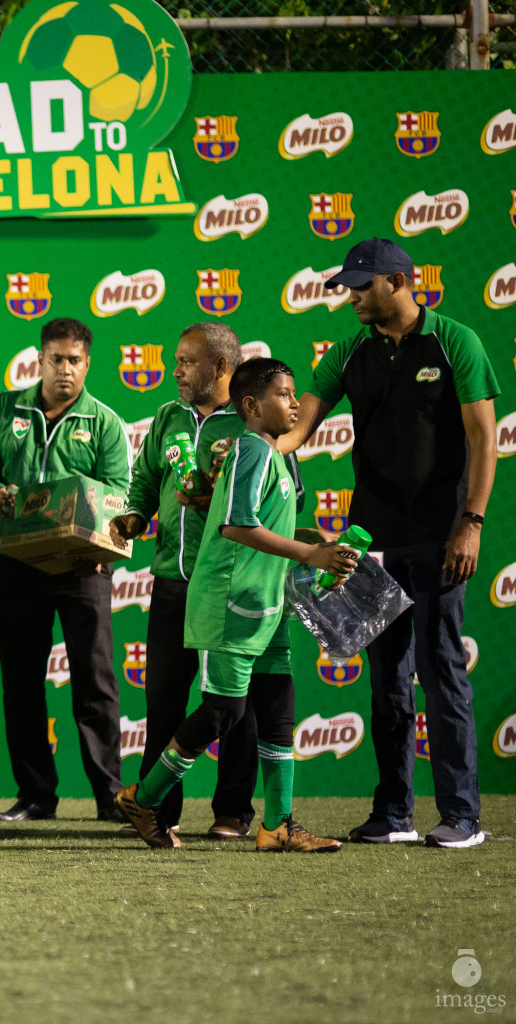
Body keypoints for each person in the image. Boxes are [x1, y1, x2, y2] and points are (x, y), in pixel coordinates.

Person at [278, 238, 500, 850]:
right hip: (371, 542)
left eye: (362, 285)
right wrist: (255, 454)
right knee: (387, 680)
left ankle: (462, 815)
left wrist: (471, 522)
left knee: (442, 669)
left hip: (439, 534)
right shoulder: (352, 351)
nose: (351, 297)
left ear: (400, 282)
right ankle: (394, 812)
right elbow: (300, 429)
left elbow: (485, 441)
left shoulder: (454, 341)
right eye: (348, 286)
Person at [119, 358, 356, 852]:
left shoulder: (272, 454)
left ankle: (278, 826)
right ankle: (143, 799)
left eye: (294, 394)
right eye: (285, 395)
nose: (296, 404)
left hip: (268, 605)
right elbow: (234, 526)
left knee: (277, 713)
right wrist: (311, 552)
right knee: (223, 712)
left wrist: (320, 543)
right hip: (232, 601)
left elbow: (269, 525)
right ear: (251, 405)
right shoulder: (250, 450)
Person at [0, 318, 130, 822]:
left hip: (83, 568)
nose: (65, 370)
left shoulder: (105, 423)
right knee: (23, 683)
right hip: (17, 564)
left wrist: (94, 527)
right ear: (40, 360)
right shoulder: (3, 408)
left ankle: (109, 798)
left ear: (87, 364)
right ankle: (35, 796)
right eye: (56, 359)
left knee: (95, 684)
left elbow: (119, 493)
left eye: (74, 360)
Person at [109, 322, 260, 841]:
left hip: (230, 582)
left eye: (186, 362)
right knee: (164, 702)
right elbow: (147, 478)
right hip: (171, 582)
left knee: (234, 701)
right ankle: (158, 811)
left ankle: (233, 812)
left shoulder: (251, 418)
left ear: (221, 367)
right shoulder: (168, 417)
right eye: (175, 361)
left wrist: (217, 497)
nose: (174, 370)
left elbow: (286, 495)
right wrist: (133, 516)